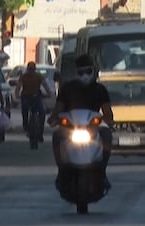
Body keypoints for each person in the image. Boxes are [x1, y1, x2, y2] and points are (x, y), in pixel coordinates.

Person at [48, 54, 114, 189]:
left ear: (93, 71)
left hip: (92, 128)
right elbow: (58, 108)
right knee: (56, 136)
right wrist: (54, 118)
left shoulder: (100, 89)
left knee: (107, 135)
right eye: (81, 72)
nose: (85, 75)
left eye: (88, 71)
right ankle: (61, 170)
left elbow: (107, 112)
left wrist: (107, 120)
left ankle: (102, 171)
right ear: (76, 73)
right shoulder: (67, 88)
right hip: (71, 128)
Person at [15, 62, 50, 142]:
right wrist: (17, 94)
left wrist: (49, 93)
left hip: (35, 97)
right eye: (30, 69)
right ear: (27, 69)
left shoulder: (38, 76)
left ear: (34, 69)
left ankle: (40, 133)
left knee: (42, 113)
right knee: (25, 109)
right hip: (27, 97)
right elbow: (18, 87)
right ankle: (26, 125)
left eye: (32, 69)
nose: (31, 71)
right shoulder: (24, 77)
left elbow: (45, 85)